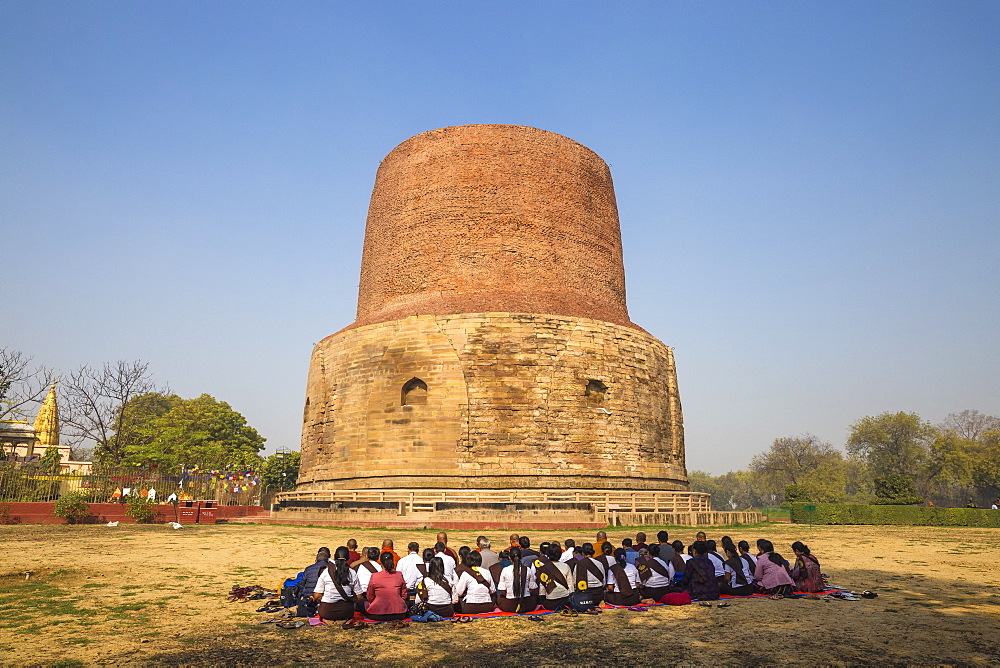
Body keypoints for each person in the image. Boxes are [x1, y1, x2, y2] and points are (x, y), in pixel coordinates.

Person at [313, 546, 362, 623]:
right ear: (348, 558)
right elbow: (359, 596)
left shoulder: (326, 572)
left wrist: (325, 601)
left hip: (327, 612)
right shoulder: (352, 573)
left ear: (334, 557)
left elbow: (317, 595)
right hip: (346, 612)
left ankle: (328, 620)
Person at [366, 551, 409, 621]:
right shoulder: (399, 574)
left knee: (361, 603)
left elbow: (370, 596)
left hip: (377, 614)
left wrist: (375, 603)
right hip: (400, 613)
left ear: (380, 562)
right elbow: (404, 594)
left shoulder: (375, 576)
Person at [497, 546, 537, 613]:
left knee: (498, 599)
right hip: (527, 604)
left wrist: (508, 595)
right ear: (521, 557)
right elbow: (532, 588)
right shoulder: (527, 569)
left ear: (509, 557)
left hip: (510, 605)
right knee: (535, 598)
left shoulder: (505, 570)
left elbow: (502, 589)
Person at [533, 543, 572, 611]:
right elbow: (570, 586)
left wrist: (541, 599)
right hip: (565, 601)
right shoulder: (566, 566)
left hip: (550, 602)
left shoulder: (544, 568)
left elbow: (542, 590)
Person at [297, 547, 331, 617]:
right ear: (328, 560)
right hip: (325, 598)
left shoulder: (308, 569)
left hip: (308, 598)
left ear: (316, 560)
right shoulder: (331, 568)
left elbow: (302, 584)